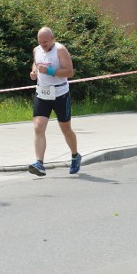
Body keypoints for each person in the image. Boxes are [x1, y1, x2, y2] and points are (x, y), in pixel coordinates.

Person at [28, 26, 81, 176]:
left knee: (65, 129)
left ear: (52, 39)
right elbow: (36, 63)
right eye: (40, 41)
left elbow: (70, 72)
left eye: (45, 42)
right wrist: (33, 72)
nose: (43, 44)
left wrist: (50, 71)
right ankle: (39, 163)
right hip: (42, 93)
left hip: (60, 93)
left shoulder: (60, 50)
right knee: (38, 127)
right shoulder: (36, 50)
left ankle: (75, 156)